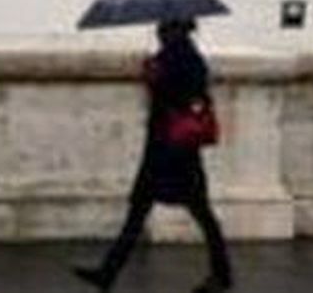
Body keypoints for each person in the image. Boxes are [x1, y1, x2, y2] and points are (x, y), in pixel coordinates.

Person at [73, 19, 233, 293]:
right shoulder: (177, 58)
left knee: (199, 213)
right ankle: (107, 272)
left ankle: (222, 275)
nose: (158, 33)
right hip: (166, 149)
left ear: (174, 31)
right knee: (142, 210)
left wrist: (155, 76)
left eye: (163, 29)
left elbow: (188, 99)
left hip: (175, 152)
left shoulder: (187, 61)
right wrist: (153, 74)